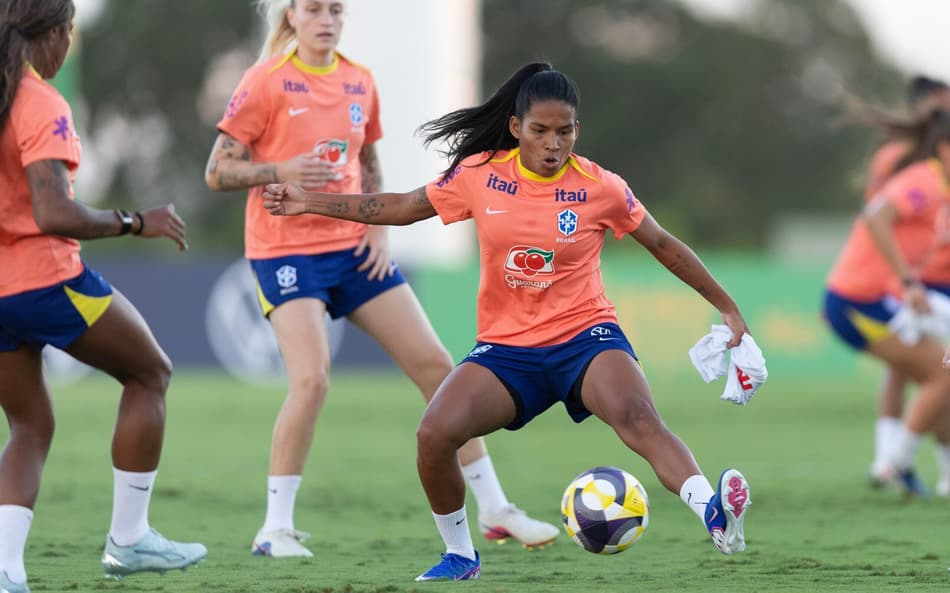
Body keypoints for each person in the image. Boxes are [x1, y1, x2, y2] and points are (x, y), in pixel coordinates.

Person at [261, 61, 754, 581]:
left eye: (564, 132)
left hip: (585, 338)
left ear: (577, 131)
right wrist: (308, 202)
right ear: (517, 128)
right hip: (507, 351)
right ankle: (460, 555)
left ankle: (715, 515)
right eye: (540, 130)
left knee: (638, 418)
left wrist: (726, 306)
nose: (552, 144)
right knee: (433, 435)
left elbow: (664, 245)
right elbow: (404, 206)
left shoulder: (601, 187)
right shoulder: (479, 174)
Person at [203, 0, 558, 557]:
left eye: (336, 10)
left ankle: (494, 507)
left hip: (354, 250)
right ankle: (274, 528)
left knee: (439, 367)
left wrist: (379, 233)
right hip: (285, 253)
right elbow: (217, 171)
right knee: (312, 380)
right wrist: (279, 170)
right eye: (314, 9)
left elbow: (368, 161)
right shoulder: (264, 81)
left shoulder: (359, 81)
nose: (326, 19)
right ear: (291, 16)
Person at [0, 1, 206, 591]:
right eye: (70, 34)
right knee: (150, 373)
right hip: (48, 282)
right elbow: (53, 211)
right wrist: (136, 221)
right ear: (58, 35)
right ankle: (130, 539)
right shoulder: (40, 101)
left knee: (28, 425)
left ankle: (7, 569)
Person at [824, 108, 950, 498]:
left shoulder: (939, 185)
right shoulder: (925, 181)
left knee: (942, 373)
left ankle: (930, 471)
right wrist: (910, 281)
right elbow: (876, 217)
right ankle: (895, 463)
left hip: (882, 300)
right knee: (943, 374)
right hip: (858, 302)